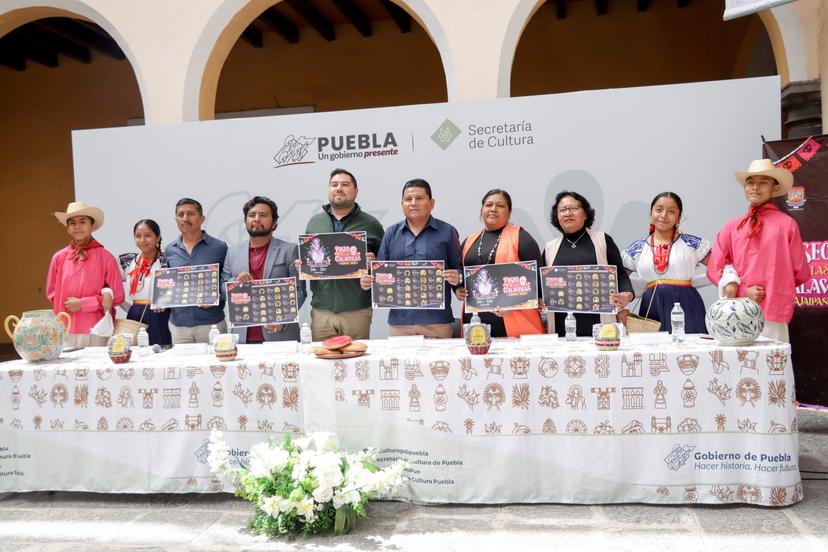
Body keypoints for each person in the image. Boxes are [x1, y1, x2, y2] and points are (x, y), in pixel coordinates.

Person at [707, 159, 809, 342]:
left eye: (763, 182)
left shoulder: (787, 225)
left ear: (774, 188)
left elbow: (800, 271)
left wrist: (773, 288)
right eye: (751, 182)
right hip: (738, 311)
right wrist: (743, 291)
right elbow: (714, 268)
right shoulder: (732, 227)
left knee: (771, 365)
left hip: (772, 312)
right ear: (745, 187)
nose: (756, 187)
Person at [359, 179, 462, 337]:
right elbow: (379, 272)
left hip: (437, 322)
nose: (413, 203)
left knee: (438, 363)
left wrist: (458, 278)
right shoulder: (391, 233)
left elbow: (458, 267)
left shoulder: (447, 232)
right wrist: (368, 280)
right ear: (402, 204)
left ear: (432, 203)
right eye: (408, 199)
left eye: (419, 198)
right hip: (400, 323)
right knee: (400, 363)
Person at [303, 169, 384, 341]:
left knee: (356, 363)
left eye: (345, 185)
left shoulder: (371, 224)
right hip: (321, 311)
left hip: (357, 311)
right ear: (329, 190)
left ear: (356, 191)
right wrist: (303, 264)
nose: (339, 188)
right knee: (322, 364)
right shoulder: (314, 222)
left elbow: (385, 266)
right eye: (334, 184)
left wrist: (374, 263)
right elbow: (310, 259)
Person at [455, 188, 544, 337]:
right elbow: (461, 273)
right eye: (488, 205)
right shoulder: (470, 240)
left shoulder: (521, 237)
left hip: (515, 321)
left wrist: (514, 304)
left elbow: (538, 282)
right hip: (476, 322)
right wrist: (458, 288)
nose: (493, 209)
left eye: (500, 206)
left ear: (509, 213)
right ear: (482, 209)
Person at [544, 190, 634, 337]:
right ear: (557, 217)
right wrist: (540, 299)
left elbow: (620, 275)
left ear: (585, 214)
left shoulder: (603, 240)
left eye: (574, 208)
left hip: (601, 323)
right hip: (561, 325)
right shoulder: (549, 248)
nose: (568, 213)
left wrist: (627, 295)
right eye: (562, 210)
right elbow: (543, 287)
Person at [620, 192, 710, 333]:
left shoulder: (692, 244)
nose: (664, 215)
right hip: (652, 306)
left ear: (679, 217)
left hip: (687, 303)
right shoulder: (637, 249)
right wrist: (622, 309)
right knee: (655, 352)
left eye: (671, 211)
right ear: (651, 214)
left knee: (689, 349)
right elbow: (619, 281)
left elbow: (721, 267)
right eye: (659, 210)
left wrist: (729, 282)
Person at [223, 196, 306, 343]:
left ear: (274, 223)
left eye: (263, 215)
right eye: (251, 215)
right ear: (245, 221)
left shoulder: (290, 250)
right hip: (243, 336)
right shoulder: (233, 252)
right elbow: (223, 288)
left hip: (280, 334)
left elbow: (300, 291)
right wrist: (234, 281)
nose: (256, 219)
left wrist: (284, 319)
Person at [46, 201, 124, 347]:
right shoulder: (58, 258)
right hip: (65, 327)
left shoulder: (106, 258)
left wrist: (84, 304)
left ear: (92, 226)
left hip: (96, 328)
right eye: (72, 223)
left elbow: (118, 296)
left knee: (95, 369)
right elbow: (52, 294)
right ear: (67, 228)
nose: (77, 226)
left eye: (83, 222)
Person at [164, 197, 228, 344]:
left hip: (211, 324)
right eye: (180, 215)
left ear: (202, 218)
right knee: (182, 367)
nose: (185, 218)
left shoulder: (219, 247)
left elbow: (227, 280)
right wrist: (162, 299)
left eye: (190, 214)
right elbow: (168, 284)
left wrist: (217, 296)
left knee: (216, 366)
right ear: (176, 219)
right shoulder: (169, 250)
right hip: (179, 326)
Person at [119, 219, 172, 345]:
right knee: (136, 351)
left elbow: (175, 287)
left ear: (157, 237)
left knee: (160, 350)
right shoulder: (128, 260)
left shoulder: (167, 260)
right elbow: (109, 283)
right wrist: (129, 307)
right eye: (138, 236)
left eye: (147, 235)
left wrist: (166, 303)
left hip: (159, 314)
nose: (142, 240)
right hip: (135, 314)